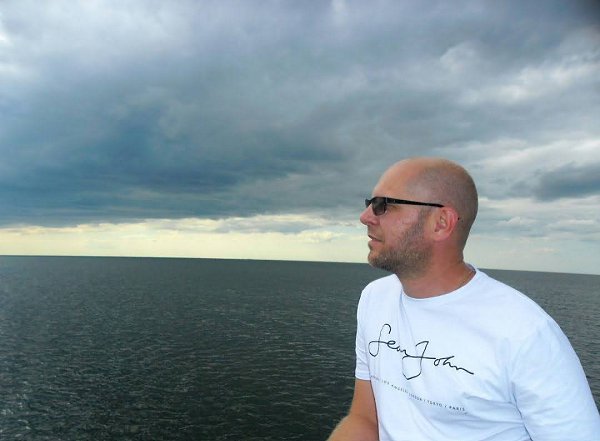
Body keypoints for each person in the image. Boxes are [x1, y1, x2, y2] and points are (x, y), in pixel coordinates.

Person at [328, 157, 600, 440]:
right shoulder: (375, 299)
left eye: (383, 204)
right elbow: (365, 419)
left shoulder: (526, 333)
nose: (366, 216)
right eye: (370, 203)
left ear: (441, 222)